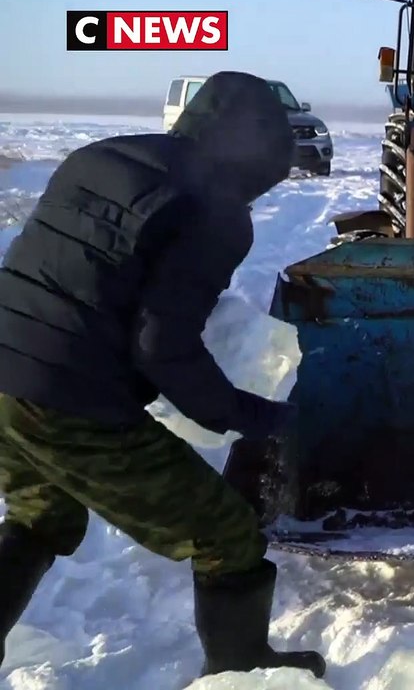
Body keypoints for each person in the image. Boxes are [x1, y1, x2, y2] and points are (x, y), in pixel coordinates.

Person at [0, 71, 326, 679]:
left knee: (40, 516)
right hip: (69, 396)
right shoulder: (214, 209)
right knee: (227, 534)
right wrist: (249, 415)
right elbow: (162, 347)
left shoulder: (100, 156)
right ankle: (242, 670)